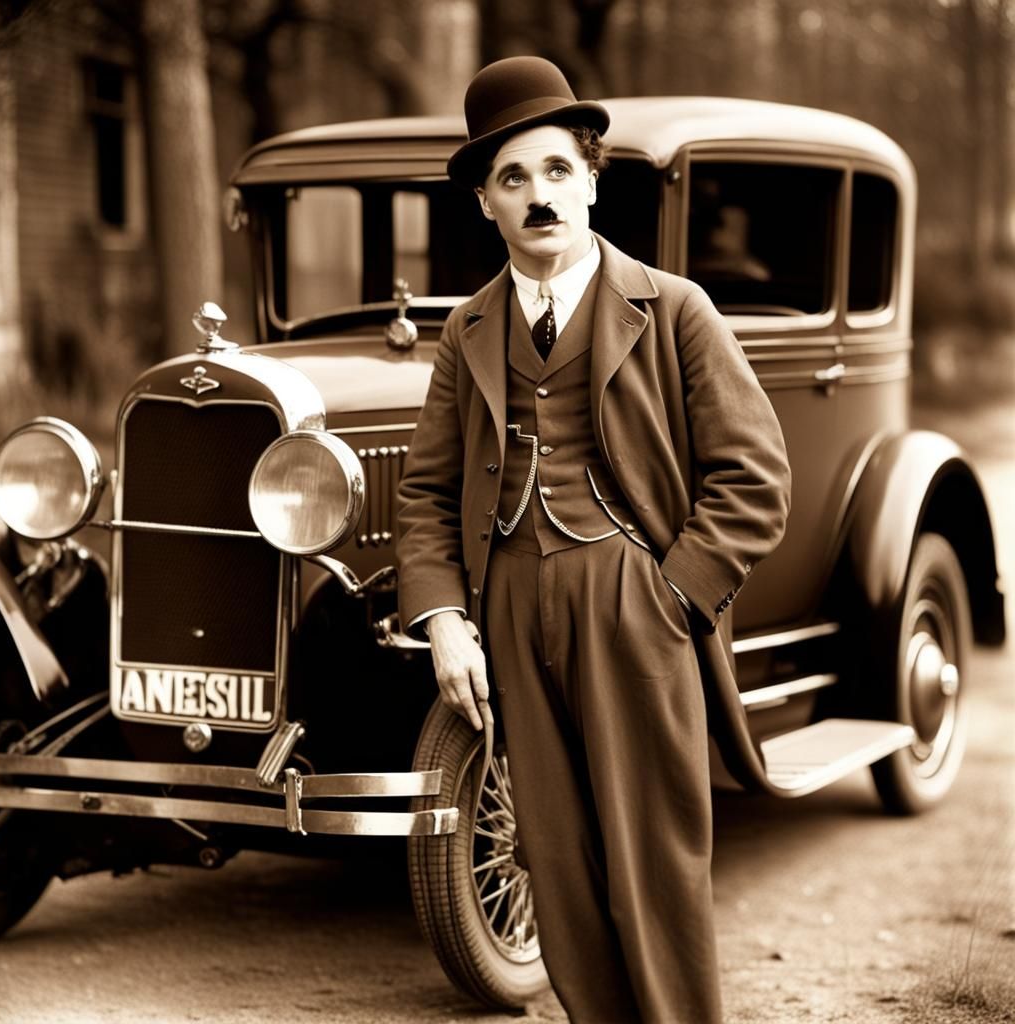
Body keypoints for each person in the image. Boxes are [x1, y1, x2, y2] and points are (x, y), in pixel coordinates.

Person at [396, 56, 791, 1024]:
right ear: (484, 203)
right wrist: (446, 620)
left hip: (633, 602)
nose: (539, 199)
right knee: (555, 858)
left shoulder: (675, 308)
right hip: (507, 612)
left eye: (556, 171)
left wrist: (672, 595)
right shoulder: (466, 329)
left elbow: (754, 481)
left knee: (652, 855)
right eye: (513, 180)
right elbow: (426, 492)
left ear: (592, 180)